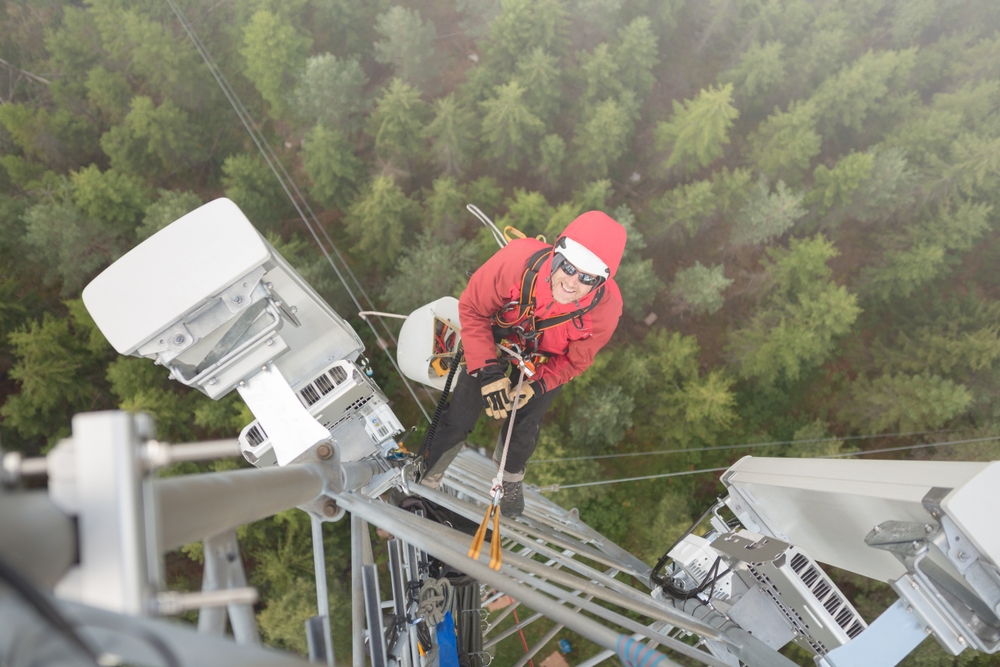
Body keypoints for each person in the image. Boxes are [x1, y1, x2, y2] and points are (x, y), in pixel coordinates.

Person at [418, 211, 627, 517]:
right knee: (460, 415)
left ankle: (510, 481)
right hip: (497, 340)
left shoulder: (605, 312)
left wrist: (537, 385)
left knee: (525, 424)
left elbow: (575, 362)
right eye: (568, 267)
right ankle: (425, 477)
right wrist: (489, 371)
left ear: (601, 282)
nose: (572, 282)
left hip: (545, 362)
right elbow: (473, 308)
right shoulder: (516, 262)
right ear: (555, 254)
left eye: (587, 278)